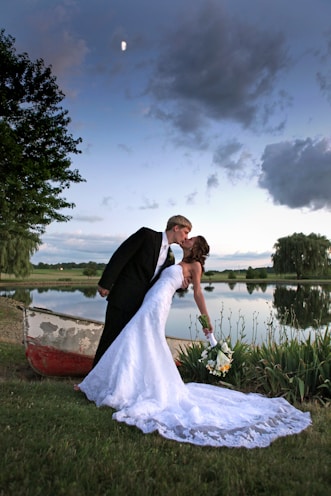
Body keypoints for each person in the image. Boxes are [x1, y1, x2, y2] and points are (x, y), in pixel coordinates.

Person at [77, 236, 311, 448]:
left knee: (137, 337)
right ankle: (123, 383)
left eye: (191, 238)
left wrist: (205, 320)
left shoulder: (196, 266)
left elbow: (198, 293)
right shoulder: (173, 260)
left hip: (156, 305)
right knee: (135, 340)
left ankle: (121, 385)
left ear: (196, 247)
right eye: (186, 236)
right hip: (150, 300)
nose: (186, 239)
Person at [92, 215, 192, 367]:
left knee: (127, 343)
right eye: (185, 232)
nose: (186, 237)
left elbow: (162, 283)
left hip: (142, 305)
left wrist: (180, 286)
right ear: (175, 228)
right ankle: (93, 379)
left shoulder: (170, 258)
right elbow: (121, 255)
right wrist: (106, 283)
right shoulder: (147, 235)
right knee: (110, 338)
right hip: (122, 297)